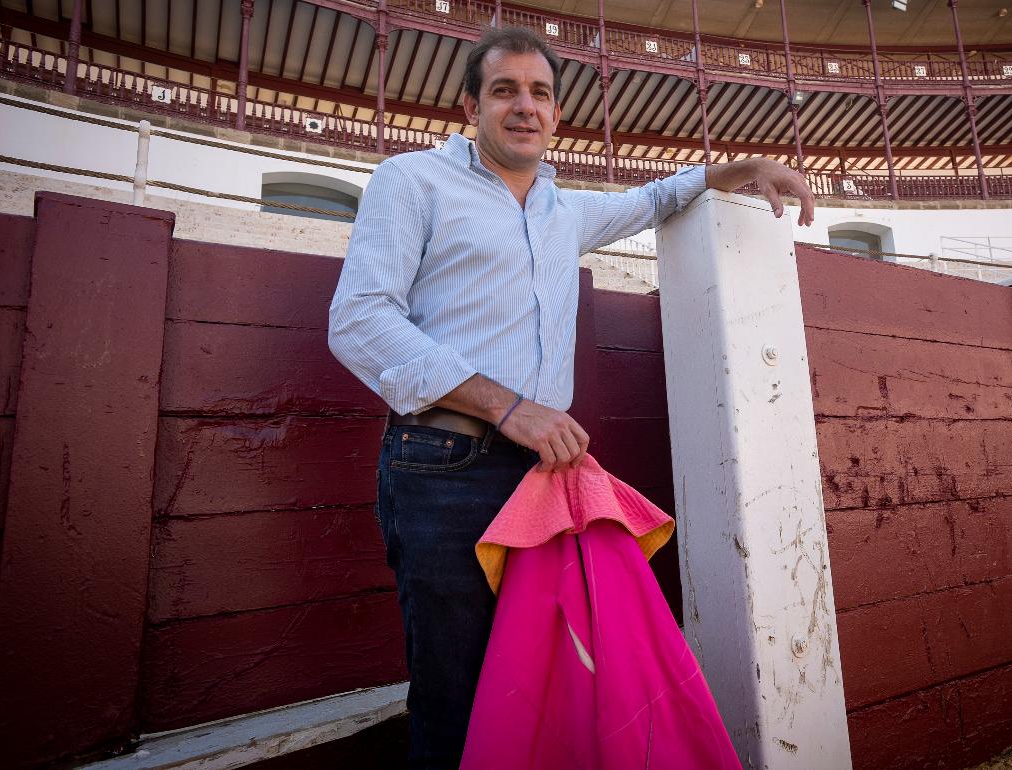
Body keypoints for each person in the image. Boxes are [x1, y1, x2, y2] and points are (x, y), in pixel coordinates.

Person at [328, 25, 815, 769]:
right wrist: (507, 405)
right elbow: (359, 321)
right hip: (442, 466)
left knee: (536, 685)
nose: (525, 106)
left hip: (538, 479)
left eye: (540, 93)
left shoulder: (566, 212)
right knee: (456, 694)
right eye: (504, 91)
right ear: (470, 106)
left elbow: (658, 197)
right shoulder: (412, 181)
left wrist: (742, 166)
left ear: (557, 113)